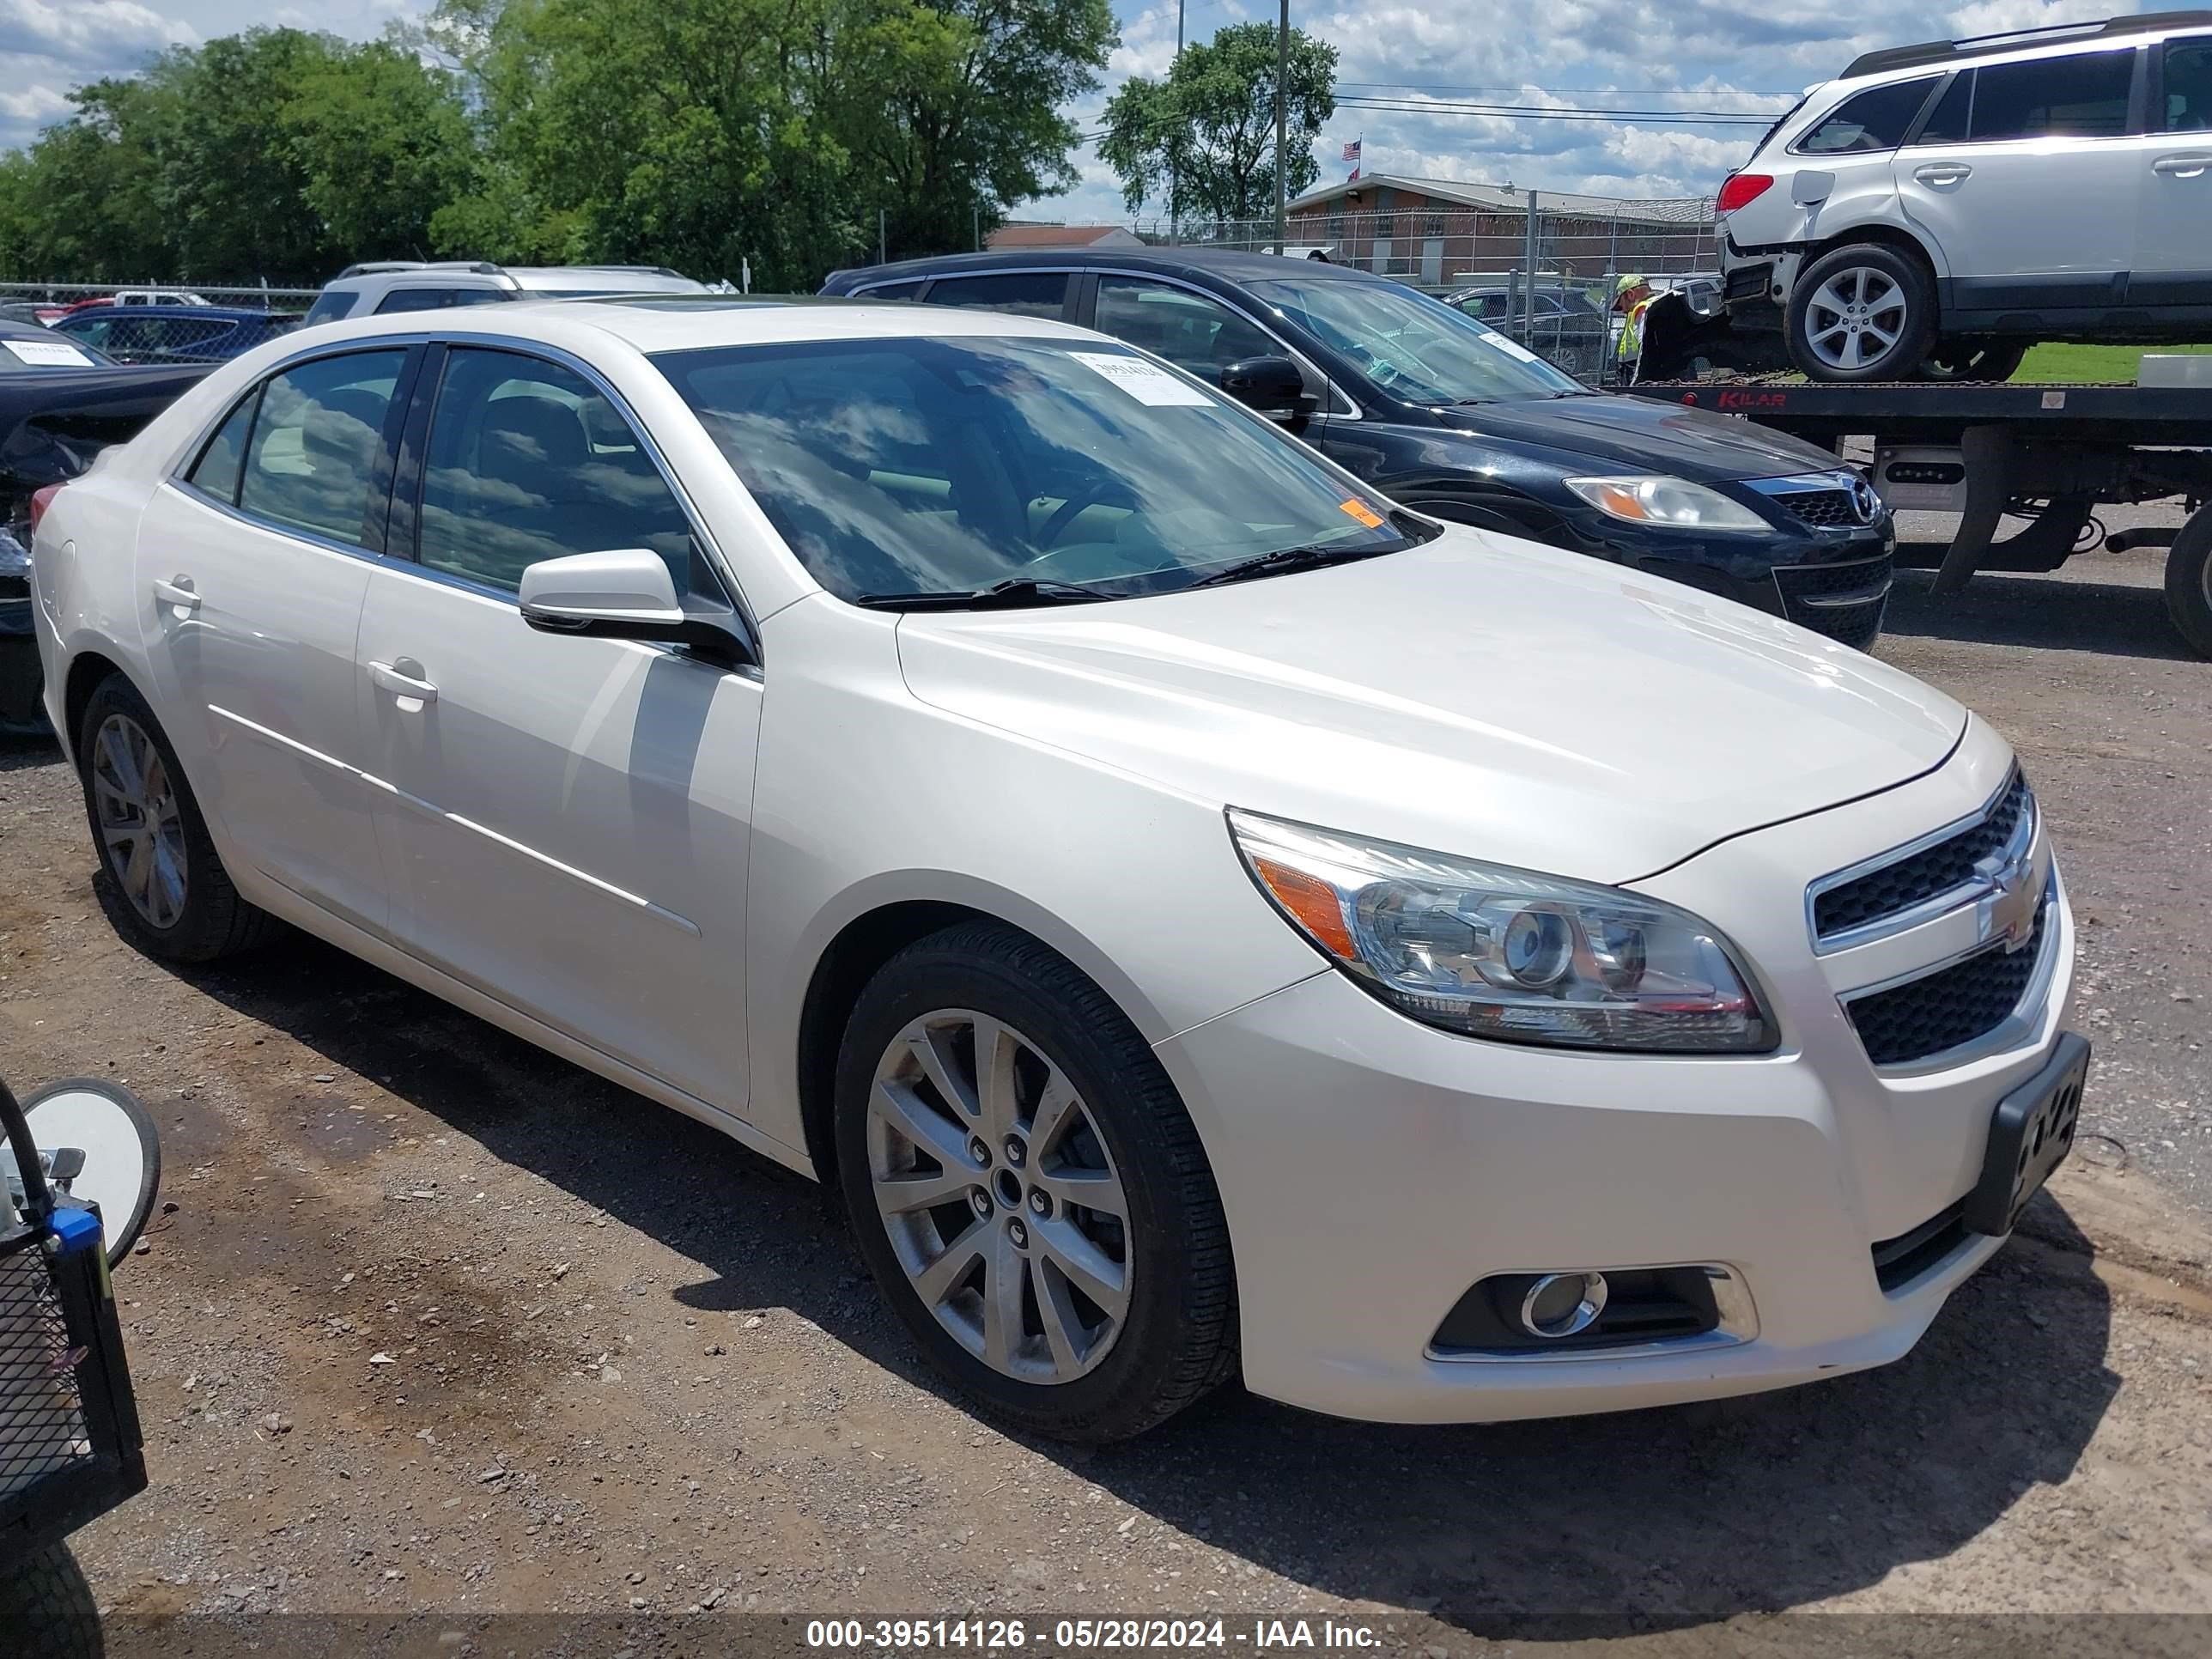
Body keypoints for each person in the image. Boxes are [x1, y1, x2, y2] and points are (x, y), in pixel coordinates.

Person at [1613, 273, 1656, 383]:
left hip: (1635, 374)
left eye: (1621, 303)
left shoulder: (1643, 311)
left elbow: (1646, 349)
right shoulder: (1653, 307)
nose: (1622, 310)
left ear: (1631, 295)